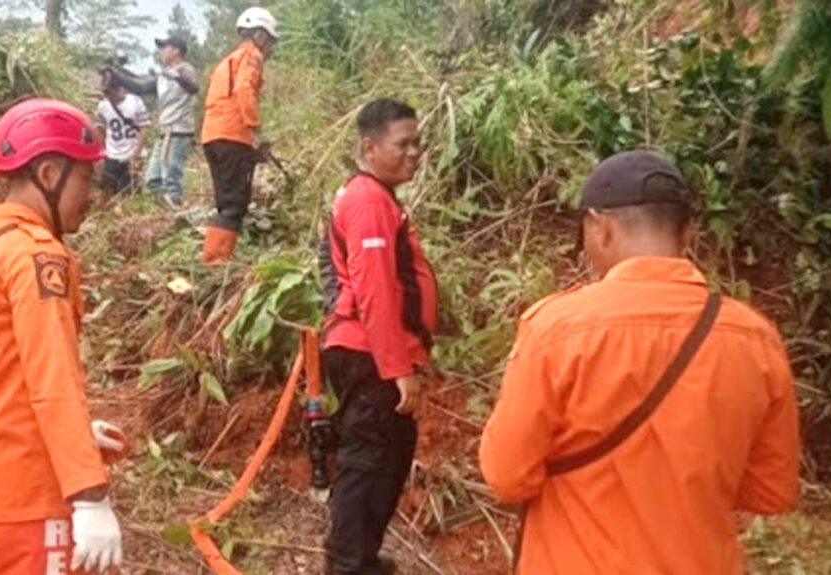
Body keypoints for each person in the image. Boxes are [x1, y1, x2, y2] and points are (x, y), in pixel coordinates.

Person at [479, 150, 800, 575]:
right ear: (688, 232)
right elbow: (771, 492)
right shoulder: (755, 339)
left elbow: (506, 476)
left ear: (601, 228)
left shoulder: (557, 330)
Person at [0, 99, 127, 575]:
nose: (91, 194)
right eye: (85, 178)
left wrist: (78, 435)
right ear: (49, 173)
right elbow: (52, 379)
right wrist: (89, 494)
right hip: (21, 505)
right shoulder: (36, 258)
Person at [317, 98, 438, 575]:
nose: (414, 153)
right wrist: (397, 367)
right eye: (402, 144)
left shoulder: (376, 196)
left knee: (387, 457)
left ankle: (360, 558)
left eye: (417, 143)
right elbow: (375, 292)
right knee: (369, 463)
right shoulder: (368, 201)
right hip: (369, 355)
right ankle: (348, 565)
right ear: (369, 148)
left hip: (372, 353)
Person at [199, 7, 279, 264]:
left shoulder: (228, 60)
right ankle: (216, 262)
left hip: (212, 135)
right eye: (270, 40)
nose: (271, 47)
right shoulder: (252, 55)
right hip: (233, 136)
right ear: (260, 35)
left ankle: (213, 257)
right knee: (234, 204)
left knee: (225, 202)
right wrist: (256, 129)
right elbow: (244, 90)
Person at [110, 36, 199, 208]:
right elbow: (141, 88)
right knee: (153, 179)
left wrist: (178, 78)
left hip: (179, 130)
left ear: (176, 50)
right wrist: (118, 76)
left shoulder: (185, 69)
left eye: (165, 48)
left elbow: (194, 88)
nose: (161, 52)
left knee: (171, 178)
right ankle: (165, 211)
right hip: (165, 130)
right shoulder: (163, 77)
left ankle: (176, 209)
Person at [95, 76, 150, 196]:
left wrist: (136, 155)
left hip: (132, 153)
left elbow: (144, 129)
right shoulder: (103, 106)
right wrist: (103, 153)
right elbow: (101, 130)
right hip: (112, 154)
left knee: (128, 192)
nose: (108, 96)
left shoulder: (135, 102)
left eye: (109, 92)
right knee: (106, 189)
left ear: (118, 88)